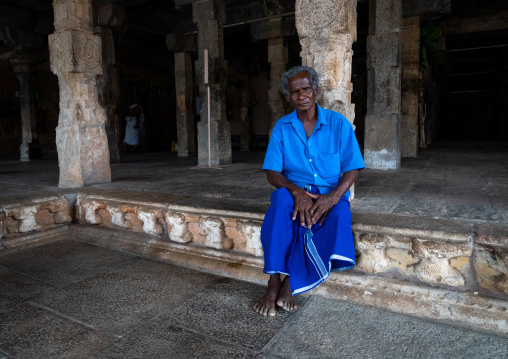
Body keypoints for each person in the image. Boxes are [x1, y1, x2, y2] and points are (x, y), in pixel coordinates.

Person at [254, 66, 365, 317]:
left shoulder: (338, 124)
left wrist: (333, 197)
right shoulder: (282, 128)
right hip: (294, 191)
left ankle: (291, 283)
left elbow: (353, 167)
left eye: (306, 89)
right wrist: (297, 193)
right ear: (288, 97)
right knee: (280, 203)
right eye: (295, 92)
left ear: (315, 90)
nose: (301, 95)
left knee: (338, 216)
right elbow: (273, 173)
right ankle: (273, 282)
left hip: (330, 193)